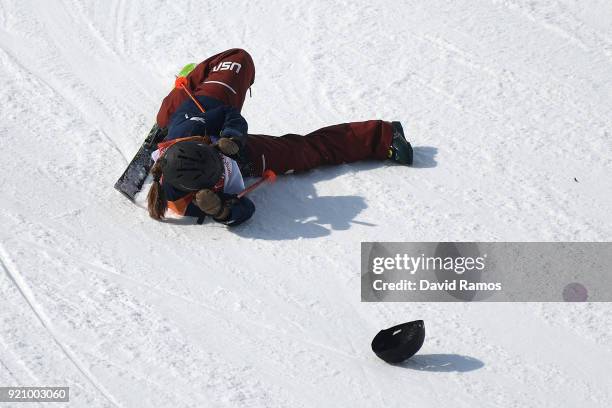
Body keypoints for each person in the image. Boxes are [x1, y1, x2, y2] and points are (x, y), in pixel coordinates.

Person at [147, 48, 413, 227]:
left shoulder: (189, 131)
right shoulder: (184, 203)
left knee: (239, 58)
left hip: (203, 113)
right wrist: (223, 211)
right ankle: (384, 136)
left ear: (203, 144)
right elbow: (245, 210)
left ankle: (187, 83)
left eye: (214, 158)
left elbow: (228, 113)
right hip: (245, 159)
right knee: (305, 152)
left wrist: (232, 137)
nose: (219, 165)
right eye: (216, 173)